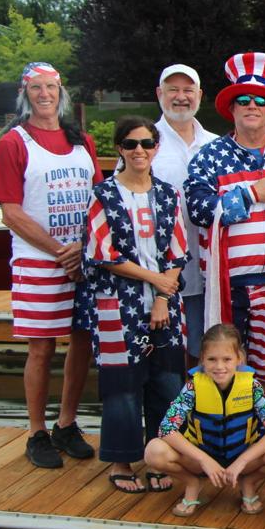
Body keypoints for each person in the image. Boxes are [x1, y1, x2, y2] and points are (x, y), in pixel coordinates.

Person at [0, 61, 101, 468]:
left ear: (61, 91)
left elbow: (97, 197)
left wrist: (83, 249)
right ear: (25, 94)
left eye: (50, 87)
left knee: (83, 343)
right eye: (36, 88)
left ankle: (66, 424)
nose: (44, 95)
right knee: (41, 348)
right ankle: (36, 431)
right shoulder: (14, 143)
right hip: (40, 261)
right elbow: (11, 212)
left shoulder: (81, 140)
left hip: (81, 259)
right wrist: (59, 250)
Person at [85, 116, 188, 494]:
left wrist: (163, 295)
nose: (139, 151)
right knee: (122, 386)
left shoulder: (167, 193)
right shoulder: (104, 194)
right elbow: (103, 254)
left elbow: (179, 251)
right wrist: (155, 280)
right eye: (131, 144)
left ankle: (158, 456)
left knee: (166, 381)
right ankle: (121, 459)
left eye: (146, 143)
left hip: (165, 304)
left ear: (156, 147)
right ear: (120, 149)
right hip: (118, 303)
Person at [185, 51, 265, 394]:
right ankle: (226, 443)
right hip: (227, 286)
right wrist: (251, 194)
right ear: (231, 109)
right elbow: (199, 210)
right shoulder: (209, 156)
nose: (252, 106)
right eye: (243, 99)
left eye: (261, 100)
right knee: (223, 370)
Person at [146, 323, 265, 517]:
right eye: (212, 359)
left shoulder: (252, 386)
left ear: (239, 359)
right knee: (154, 451)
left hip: (242, 459)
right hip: (200, 460)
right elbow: (166, 429)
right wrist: (204, 460)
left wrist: (242, 462)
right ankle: (193, 483)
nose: (219, 366)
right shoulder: (192, 388)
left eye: (227, 359)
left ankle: (248, 482)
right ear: (202, 360)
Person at [150, 63, 217, 366]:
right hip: (160, 274)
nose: (181, 97)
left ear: (200, 94)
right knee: (166, 359)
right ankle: (169, 415)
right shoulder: (145, 144)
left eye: (188, 90)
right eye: (173, 90)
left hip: (208, 271)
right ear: (159, 94)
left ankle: (201, 414)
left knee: (204, 354)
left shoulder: (216, 145)